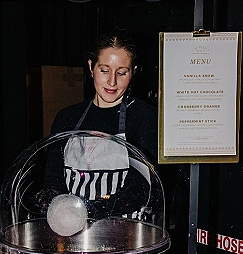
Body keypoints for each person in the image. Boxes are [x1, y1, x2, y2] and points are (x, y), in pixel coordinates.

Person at [41, 32, 159, 219]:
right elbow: (53, 179)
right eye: (104, 70)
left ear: (133, 72)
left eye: (122, 73)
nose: (112, 82)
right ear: (91, 67)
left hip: (127, 233)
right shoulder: (68, 117)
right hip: (75, 227)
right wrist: (52, 203)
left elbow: (141, 186)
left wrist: (93, 210)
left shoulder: (143, 116)